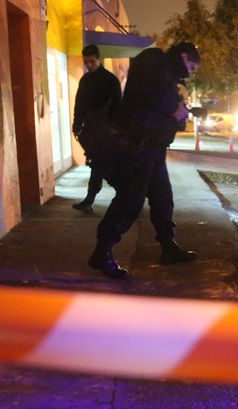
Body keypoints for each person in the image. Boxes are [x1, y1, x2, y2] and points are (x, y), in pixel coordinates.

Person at [87, 42, 200, 279]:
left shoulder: (166, 72)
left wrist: (177, 114)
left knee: (162, 198)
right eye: (192, 66)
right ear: (183, 55)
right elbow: (157, 102)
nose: (191, 72)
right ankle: (102, 252)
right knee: (129, 201)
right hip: (138, 148)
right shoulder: (155, 61)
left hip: (154, 148)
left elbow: (164, 109)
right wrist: (176, 110)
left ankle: (168, 247)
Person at [72, 44, 122, 213]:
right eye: (86, 62)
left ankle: (94, 199)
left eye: (92, 61)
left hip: (105, 131)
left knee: (102, 165)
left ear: (99, 59)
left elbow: (118, 107)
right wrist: (77, 125)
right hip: (95, 131)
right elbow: (79, 105)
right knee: (100, 165)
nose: (89, 65)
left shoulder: (110, 81)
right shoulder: (86, 80)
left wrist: (116, 129)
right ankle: (92, 199)